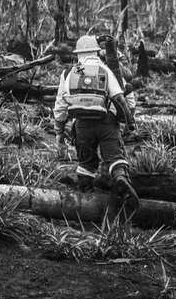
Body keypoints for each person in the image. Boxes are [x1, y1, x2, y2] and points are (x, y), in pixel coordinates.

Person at [53, 35, 138, 207]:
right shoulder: (105, 70)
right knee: (114, 157)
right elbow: (119, 98)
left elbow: (60, 105)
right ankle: (120, 178)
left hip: (82, 125)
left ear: (78, 53)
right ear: (97, 52)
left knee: (86, 163)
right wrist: (130, 122)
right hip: (106, 122)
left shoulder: (69, 73)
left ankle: (85, 199)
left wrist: (59, 130)